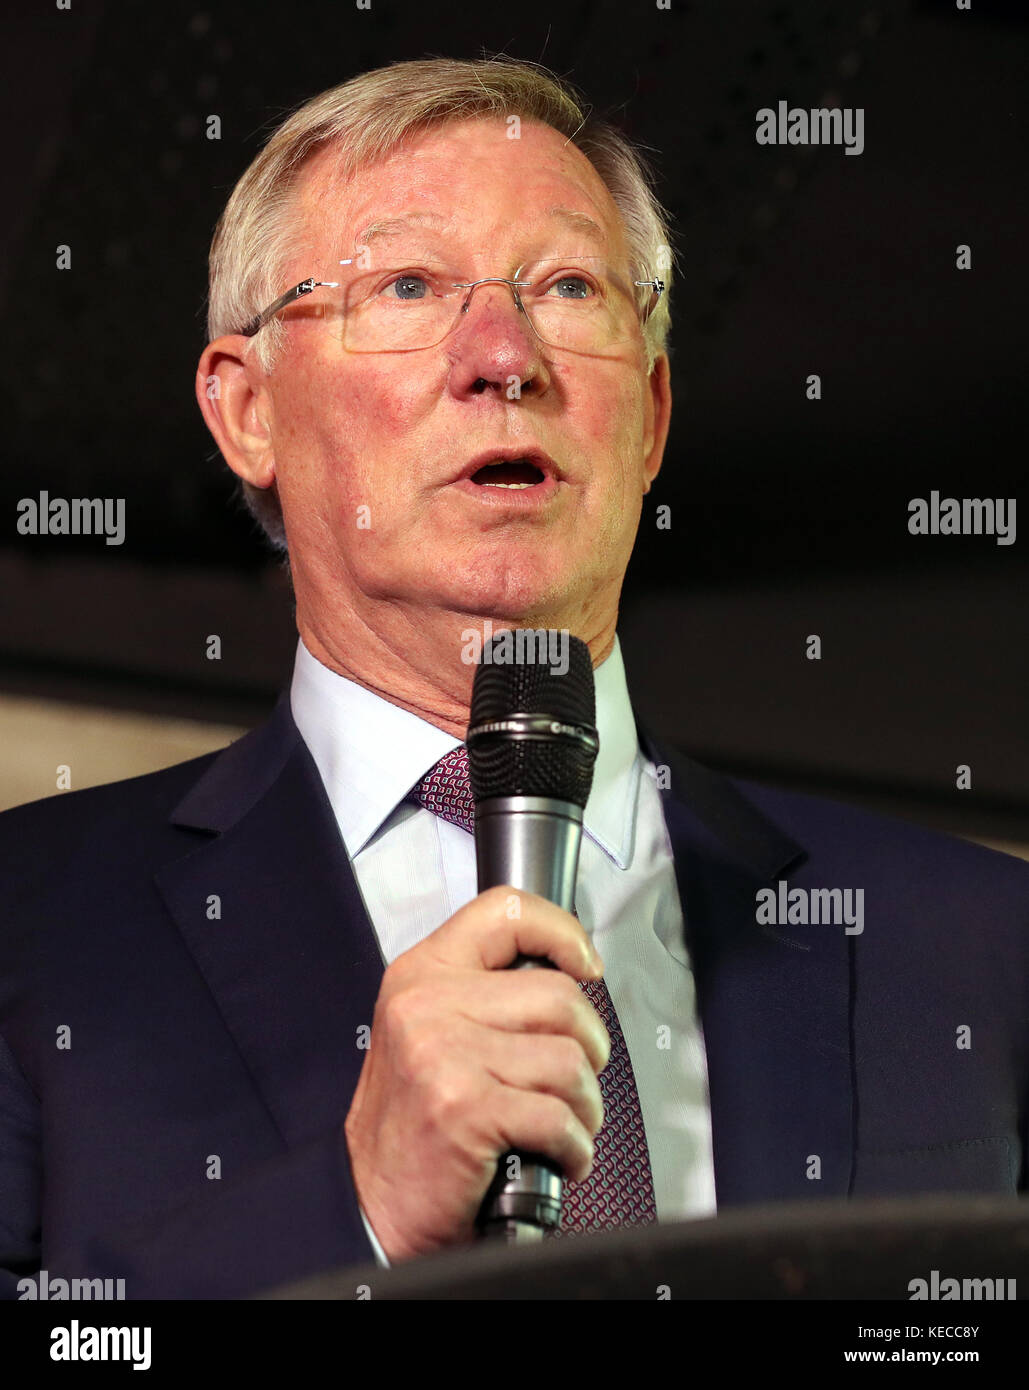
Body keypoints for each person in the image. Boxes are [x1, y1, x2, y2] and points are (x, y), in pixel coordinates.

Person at [1, 57, 1026, 1301]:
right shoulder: (35, 933)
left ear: (648, 417)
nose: (502, 355)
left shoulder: (974, 944)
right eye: (410, 284)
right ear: (248, 410)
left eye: (567, 287)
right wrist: (356, 1212)